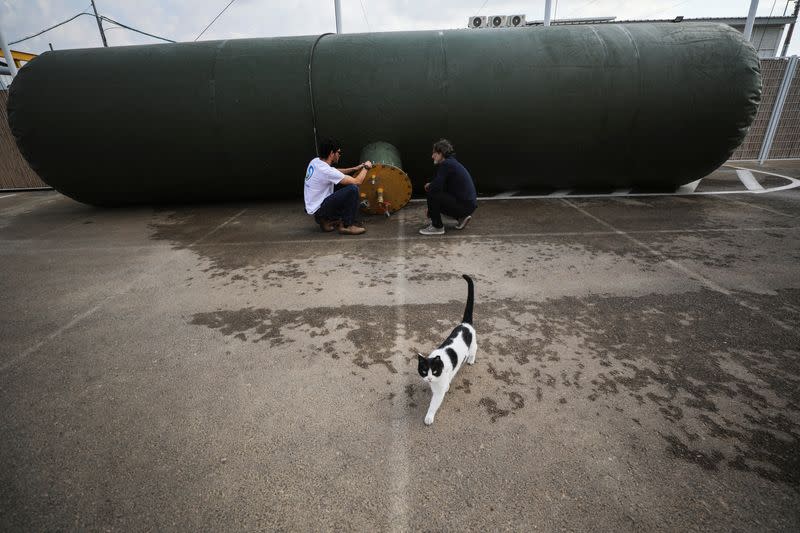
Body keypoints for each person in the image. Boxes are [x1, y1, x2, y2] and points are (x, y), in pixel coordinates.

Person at [304, 138, 373, 235]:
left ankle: (326, 221)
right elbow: (357, 181)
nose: (339, 155)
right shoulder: (326, 171)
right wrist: (366, 167)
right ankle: (346, 225)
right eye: (339, 152)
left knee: (341, 184)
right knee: (353, 189)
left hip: (316, 209)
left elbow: (334, 172)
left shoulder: (315, 161)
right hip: (321, 209)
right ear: (332, 153)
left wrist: (354, 168)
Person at [419, 139, 477, 235]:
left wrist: (431, 209)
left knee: (431, 191)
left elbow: (435, 188)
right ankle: (461, 218)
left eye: (434, 153)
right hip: (468, 206)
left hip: (464, 206)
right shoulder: (451, 163)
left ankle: (437, 227)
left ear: (441, 153)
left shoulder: (446, 164)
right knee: (434, 191)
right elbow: (443, 185)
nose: (432, 156)